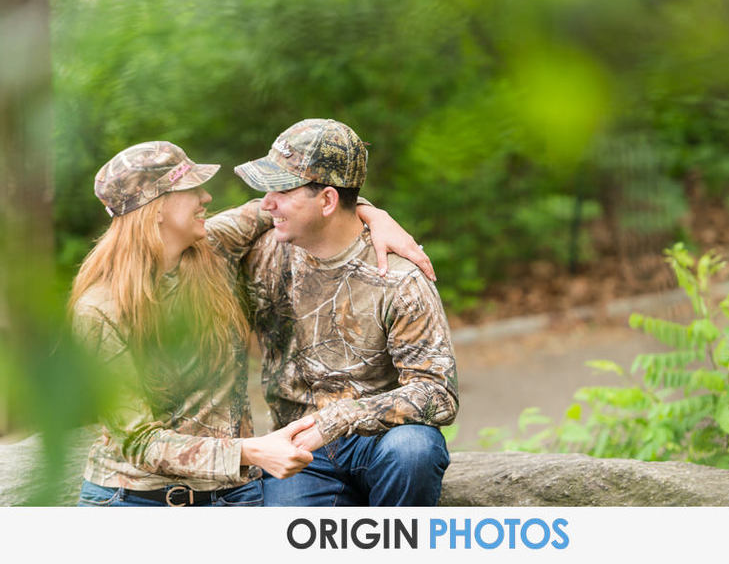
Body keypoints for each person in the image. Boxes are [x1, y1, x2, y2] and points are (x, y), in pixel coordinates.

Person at [70, 140, 432, 506]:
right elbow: (137, 441)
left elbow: (304, 206)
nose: (206, 197)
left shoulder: (214, 245)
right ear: (157, 208)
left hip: (231, 496)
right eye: (191, 189)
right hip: (133, 501)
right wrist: (252, 451)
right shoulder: (100, 308)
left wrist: (373, 215)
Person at [234, 118, 458, 506]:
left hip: (381, 440)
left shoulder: (398, 277)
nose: (265, 203)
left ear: (327, 201)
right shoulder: (262, 253)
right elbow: (181, 241)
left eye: (282, 190)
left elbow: (438, 393)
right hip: (300, 448)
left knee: (414, 450)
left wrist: (336, 420)